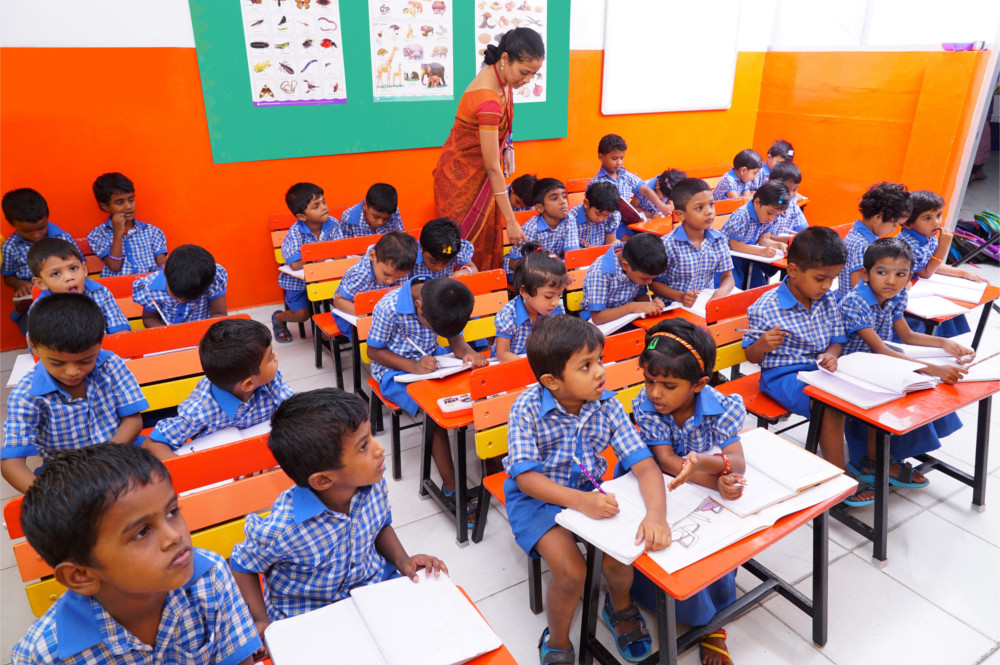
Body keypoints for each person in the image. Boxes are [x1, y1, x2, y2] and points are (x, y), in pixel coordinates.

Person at [503, 315, 670, 663]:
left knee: (621, 554)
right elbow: (526, 479)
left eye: (600, 360)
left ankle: (619, 607)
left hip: (589, 489)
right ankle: (558, 640)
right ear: (551, 381)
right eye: (586, 366)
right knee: (571, 573)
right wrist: (580, 501)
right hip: (536, 499)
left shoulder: (607, 405)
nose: (600, 373)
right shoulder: (526, 408)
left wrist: (656, 515)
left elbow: (645, 466)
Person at [11, 444, 261, 665]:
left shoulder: (210, 575)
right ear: (81, 575)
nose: (174, 536)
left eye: (172, 512)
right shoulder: (43, 656)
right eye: (142, 532)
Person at [230, 389, 447, 634]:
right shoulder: (283, 527)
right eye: (363, 446)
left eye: (371, 437)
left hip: (370, 589)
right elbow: (242, 563)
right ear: (323, 480)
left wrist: (403, 560)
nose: (379, 449)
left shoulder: (372, 482)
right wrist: (260, 620)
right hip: (312, 617)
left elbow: (380, 526)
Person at [631, 319, 745, 665]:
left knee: (712, 544)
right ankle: (661, 603)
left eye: (668, 385)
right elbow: (665, 460)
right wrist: (714, 478)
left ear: (699, 384)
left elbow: (738, 462)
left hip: (695, 482)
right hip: (656, 481)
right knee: (664, 543)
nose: (655, 393)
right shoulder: (646, 406)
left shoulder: (722, 406)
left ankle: (713, 621)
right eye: (649, 380)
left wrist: (712, 468)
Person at [840, 238, 973, 493]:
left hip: (876, 360)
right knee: (895, 391)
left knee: (923, 385)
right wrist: (933, 369)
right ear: (866, 274)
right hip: (849, 366)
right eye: (882, 273)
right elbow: (880, 349)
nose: (891, 280)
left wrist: (944, 343)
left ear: (909, 276)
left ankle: (894, 452)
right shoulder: (855, 302)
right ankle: (873, 462)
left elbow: (907, 335)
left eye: (900, 274)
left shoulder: (895, 294)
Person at [741, 227, 862, 501]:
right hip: (782, 376)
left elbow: (836, 341)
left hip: (818, 371)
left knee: (858, 396)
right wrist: (762, 345)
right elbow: (751, 356)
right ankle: (840, 480)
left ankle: (865, 460)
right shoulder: (765, 307)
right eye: (821, 278)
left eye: (832, 279)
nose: (827, 286)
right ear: (793, 271)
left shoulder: (827, 300)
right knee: (829, 406)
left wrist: (832, 354)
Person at [1, 294, 148, 494]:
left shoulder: (110, 364)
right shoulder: (27, 395)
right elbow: (11, 463)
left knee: (157, 455)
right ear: (33, 346)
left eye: (86, 361)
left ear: (100, 343)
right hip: (67, 472)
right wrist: (51, 498)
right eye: (57, 363)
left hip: (119, 450)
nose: (72, 372)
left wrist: (103, 460)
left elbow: (133, 420)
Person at [433, 28, 545, 269]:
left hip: (481, 179)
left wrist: (507, 148)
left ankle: (485, 289)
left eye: (533, 74)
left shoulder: (501, 77)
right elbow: (493, 168)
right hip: (461, 184)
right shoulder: (488, 100)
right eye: (524, 72)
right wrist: (511, 221)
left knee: (483, 246)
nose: (527, 80)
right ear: (505, 59)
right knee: (462, 250)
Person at [367, 277, 487, 499]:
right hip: (395, 371)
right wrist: (413, 366)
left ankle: (495, 465)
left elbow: (457, 344)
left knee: (483, 392)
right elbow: (373, 352)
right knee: (434, 412)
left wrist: (471, 354)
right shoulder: (389, 308)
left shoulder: (445, 299)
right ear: (418, 306)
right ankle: (452, 489)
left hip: (434, 362)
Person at [144, 319, 293, 459]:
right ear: (248, 384)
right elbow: (152, 445)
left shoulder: (270, 382)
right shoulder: (199, 411)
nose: (276, 356)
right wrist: (191, 470)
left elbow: (293, 411)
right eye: (270, 358)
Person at [898, 189, 986, 337]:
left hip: (921, 285)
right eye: (927, 218)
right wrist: (944, 247)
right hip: (907, 290)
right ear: (908, 223)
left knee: (951, 305)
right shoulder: (907, 244)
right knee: (933, 312)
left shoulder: (928, 235)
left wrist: (963, 273)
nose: (936, 222)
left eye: (939, 215)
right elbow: (925, 272)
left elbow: (931, 265)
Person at [272, 182, 341, 343]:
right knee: (303, 315)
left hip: (324, 278)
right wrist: (323, 257)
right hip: (298, 283)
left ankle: (327, 328)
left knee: (340, 300)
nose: (324, 207)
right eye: (316, 206)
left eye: (324, 202)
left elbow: (340, 254)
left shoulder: (333, 224)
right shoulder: (295, 232)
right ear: (302, 217)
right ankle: (279, 318)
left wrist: (317, 259)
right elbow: (295, 264)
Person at [2, 188, 78, 333]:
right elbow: (8, 277)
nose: (36, 235)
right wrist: (19, 284)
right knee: (39, 331)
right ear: (12, 224)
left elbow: (78, 267)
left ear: (47, 217)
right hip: (33, 305)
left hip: (67, 299)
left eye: (41, 228)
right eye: (27, 231)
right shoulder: (10, 247)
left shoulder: (63, 238)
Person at [651, 177, 735, 307]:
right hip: (673, 306)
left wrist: (721, 292)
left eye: (711, 204)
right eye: (699, 208)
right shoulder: (668, 245)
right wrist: (681, 297)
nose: (709, 212)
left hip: (703, 304)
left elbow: (727, 276)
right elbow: (653, 283)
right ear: (681, 215)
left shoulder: (719, 239)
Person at [27, 238, 130, 334]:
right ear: (41, 283)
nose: (69, 277)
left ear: (84, 269)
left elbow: (120, 332)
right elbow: (38, 343)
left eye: (73, 268)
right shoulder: (40, 308)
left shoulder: (100, 293)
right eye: (56, 274)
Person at [331, 231, 417, 338]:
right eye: (386, 274)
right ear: (372, 256)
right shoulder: (362, 275)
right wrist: (365, 315)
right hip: (351, 317)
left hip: (379, 311)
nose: (390, 281)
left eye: (397, 278)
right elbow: (338, 301)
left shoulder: (398, 270)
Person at [494, 243, 569, 362]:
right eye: (548, 296)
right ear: (524, 291)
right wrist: (530, 366)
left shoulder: (557, 310)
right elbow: (503, 353)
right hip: (513, 366)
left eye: (559, 295)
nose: (555, 302)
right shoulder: (509, 315)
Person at [836, 181, 910, 301]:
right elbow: (858, 287)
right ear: (878, 217)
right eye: (894, 224)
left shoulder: (859, 234)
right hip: (856, 307)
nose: (893, 230)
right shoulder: (863, 245)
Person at [87, 172, 168, 277]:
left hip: (148, 284)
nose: (128, 206)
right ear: (105, 206)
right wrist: (118, 233)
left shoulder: (151, 231)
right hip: (117, 286)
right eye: (120, 202)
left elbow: (163, 265)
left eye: (131, 200)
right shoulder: (98, 234)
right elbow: (115, 266)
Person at [591, 134, 673, 239]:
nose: (619, 163)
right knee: (633, 243)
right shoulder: (597, 183)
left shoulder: (625, 175)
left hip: (630, 223)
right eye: (614, 158)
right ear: (601, 157)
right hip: (610, 227)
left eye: (621, 158)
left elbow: (645, 190)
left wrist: (661, 206)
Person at [131, 244, 228, 327]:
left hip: (204, 333)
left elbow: (219, 314)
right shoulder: (151, 288)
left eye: (190, 298)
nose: (181, 300)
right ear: (165, 272)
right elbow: (149, 318)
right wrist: (170, 334)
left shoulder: (214, 278)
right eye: (176, 295)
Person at [581, 233, 666, 324]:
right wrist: (631, 307)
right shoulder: (600, 272)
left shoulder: (636, 265)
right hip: (601, 324)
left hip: (628, 318)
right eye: (644, 279)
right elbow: (597, 318)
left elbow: (638, 296)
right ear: (625, 265)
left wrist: (652, 302)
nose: (649, 282)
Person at [721, 180, 791, 288]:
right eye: (770, 213)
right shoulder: (742, 215)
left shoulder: (768, 218)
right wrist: (761, 251)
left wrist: (779, 245)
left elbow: (764, 239)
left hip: (749, 258)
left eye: (777, 215)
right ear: (757, 202)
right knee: (733, 288)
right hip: (728, 259)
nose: (772, 218)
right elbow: (734, 245)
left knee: (758, 286)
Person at [504, 178, 577, 276]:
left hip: (549, 268)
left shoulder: (569, 220)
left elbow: (572, 255)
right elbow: (514, 263)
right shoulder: (531, 228)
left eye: (564, 196)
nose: (563, 202)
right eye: (554, 198)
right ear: (540, 208)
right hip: (521, 271)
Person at [411, 217, 477, 279]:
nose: (438, 268)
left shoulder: (450, 248)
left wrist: (460, 273)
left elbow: (473, 269)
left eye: (446, 262)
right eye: (432, 261)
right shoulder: (410, 255)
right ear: (421, 247)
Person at [338, 183, 405, 238]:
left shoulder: (395, 213)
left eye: (386, 218)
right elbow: (345, 246)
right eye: (376, 217)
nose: (380, 222)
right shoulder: (347, 218)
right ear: (365, 205)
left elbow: (401, 239)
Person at [572, 181, 620, 248]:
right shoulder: (572, 219)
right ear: (586, 203)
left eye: (606, 215)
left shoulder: (611, 216)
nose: (601, 219)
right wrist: (584, 251)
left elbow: (610, 245)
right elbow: (565, 250)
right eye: (598, 214)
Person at [768, 161, 808, 241]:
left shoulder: (793, 207)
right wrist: (787, 239)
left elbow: (804, 231)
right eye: (786, 190)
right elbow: (762, 237)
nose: (791, 194)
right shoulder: (766, 206)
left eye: (795, 189)